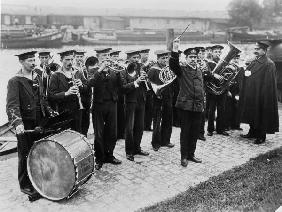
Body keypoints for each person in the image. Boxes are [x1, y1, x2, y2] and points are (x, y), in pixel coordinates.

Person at [6, 51, 54, 200]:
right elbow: (12, 105)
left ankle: (39, 179)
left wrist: (50, 111)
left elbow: (42, 98)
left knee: (39, 151)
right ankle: (25, 184)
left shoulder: (37, 77)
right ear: (21, 62)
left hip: (39, 120)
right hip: (25, 122)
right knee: (25, 153)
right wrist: (17, 123)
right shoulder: (15, 81)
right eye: (29, 60)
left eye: (34, 60)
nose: (33, 63)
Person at [169, 40, 204, 167]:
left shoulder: (199, 70)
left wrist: (202, 103)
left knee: (194, 132)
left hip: (198, 106)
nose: (193, 59)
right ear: (186, 58)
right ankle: (184, 157)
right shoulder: (182, 70)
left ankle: (191, 154)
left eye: (195, 57)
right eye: (191, 57)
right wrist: (175, 48)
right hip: (185, 107)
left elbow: (201, 88)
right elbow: (173, 64)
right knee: (185, 132)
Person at [239, 41, 279, 144]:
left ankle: (261, 136)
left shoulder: (269, 64)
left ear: (264, 51)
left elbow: (268, 83)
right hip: (252, 93)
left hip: (261, 94)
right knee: (252, 113)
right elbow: (249, 73)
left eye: (258, 49)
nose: (255, 51)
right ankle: (252, 132)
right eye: (255, 49)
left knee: (261, 114)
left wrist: (263, 96)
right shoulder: (255, 61)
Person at [88, 48, 122, 170]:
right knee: (99, 134)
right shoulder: (93, 70)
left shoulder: (113, 70)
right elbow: (89, 83)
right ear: (98, 57)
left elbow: (120, 85)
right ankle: (99, 158)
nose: (107, 57)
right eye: (104, 55)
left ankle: (110, 155)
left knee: (112, 132)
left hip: (112, 104)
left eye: (108, 55)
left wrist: (118, 71)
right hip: (99, 105)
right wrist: (101, 69)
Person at [120, 50, 149, 161]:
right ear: (128, 59)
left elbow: (146, 84)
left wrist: (145, 79)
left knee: (140, 127)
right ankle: (129, 151)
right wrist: (136, 82)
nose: (137, 60)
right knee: (130, 128)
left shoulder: (140, 68)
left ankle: (137, 148)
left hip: (141, 100)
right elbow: (123, 88)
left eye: (138, 57)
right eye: (134, 58)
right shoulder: (124, 71)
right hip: (130, 102)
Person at [48, 50, 87, 133]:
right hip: (64, 111)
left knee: (78, 133)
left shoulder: (77, 72)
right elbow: (51, 96)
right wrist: (66, 93)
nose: (70, 62)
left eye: (72, 59)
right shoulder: (56, 75)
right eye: (67, 60)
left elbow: (87, 89)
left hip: (78, 109)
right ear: (61, 60)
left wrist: (82, 85)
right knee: (66, 135)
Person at [147, 50, 175, 151]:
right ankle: (155, 142)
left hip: (168, 97)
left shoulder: (169, 69)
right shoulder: (153, 69)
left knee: (168, 119)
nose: (165, 60)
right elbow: (148, 84)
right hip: (157, 98)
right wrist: (155, 93)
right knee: (157, 121)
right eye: (162, 58)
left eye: (166, 58)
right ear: (158, 59)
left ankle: (166, 140)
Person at [206, 44, 230, 137]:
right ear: (211, 53)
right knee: (211, 110)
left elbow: (228, 77)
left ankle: (221, 129)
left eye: (219, 52)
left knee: (222, 110)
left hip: (222, 90)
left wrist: (227, 89)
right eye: (216, 52)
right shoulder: (208, 62)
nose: (218, 53)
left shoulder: (224, 63)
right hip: (212, 90)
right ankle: (210, 129)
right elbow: (206, 74)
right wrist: (213, 74)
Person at [109, 50, 126, 140]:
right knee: (114, 117)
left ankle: (121, 133)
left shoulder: (120, 67)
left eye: (117, 56)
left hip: (120, 94)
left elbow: (122, 80)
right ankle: (114, 134)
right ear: (110, 57)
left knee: (121, 114)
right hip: (112, 94)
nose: (116, 58)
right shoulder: (109, 67)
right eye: (114, 56)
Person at [196, 46, 210, 141]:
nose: (201, 55)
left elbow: (209, 77)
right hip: (194, 90)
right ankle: (194, 132)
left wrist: (206, 71)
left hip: (203, 90)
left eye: (203, 53)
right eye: (199, 53)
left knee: (202, 112)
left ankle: (201, 133)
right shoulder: (193, 63)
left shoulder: (206, 63)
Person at [139, 48, 154, 131]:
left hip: (149, 88)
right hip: (141, 88)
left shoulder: (150, 63)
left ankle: (148, 126)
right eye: (145, 54)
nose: (146, 56)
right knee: (142, 107)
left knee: (150, 107)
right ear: (140, 55)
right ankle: (142, 125)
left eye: (147, 54)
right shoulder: (139, 64)